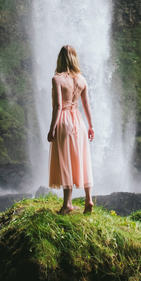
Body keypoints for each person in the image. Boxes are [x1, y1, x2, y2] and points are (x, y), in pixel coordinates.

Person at [47, 44, 94, 215]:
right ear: (74, 58)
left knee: (66, 160)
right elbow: (86, 104)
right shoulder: (82, 79)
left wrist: (52, 128)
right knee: (82, 158)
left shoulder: (57, 79)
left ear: (60, 58)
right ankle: (89, 199)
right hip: (79, 122)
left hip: (65, 121)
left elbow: (58, 105)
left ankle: (68, 204)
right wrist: (91, 126)